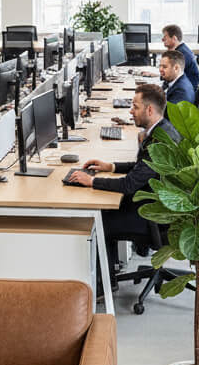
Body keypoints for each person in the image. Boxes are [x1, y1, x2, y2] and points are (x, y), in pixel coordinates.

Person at [68, 83, 181, 281]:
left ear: (149, 109)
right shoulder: (162, 129)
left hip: (153, 218)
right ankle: (108, 280)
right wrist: (111, 167)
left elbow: (129, 185)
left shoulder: (159, 141)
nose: (131, 111)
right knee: (105, 210)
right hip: (156, 205)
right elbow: (143, 166)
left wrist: (91, 182)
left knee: (99, 220)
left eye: (135, 107)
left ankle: (103, 286)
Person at [161, 23, 199, 92]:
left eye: (165, 37)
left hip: (183, 92)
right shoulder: (182, 49)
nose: (162, 39)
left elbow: (170, 76)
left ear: (174, 38)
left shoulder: (181, 54)